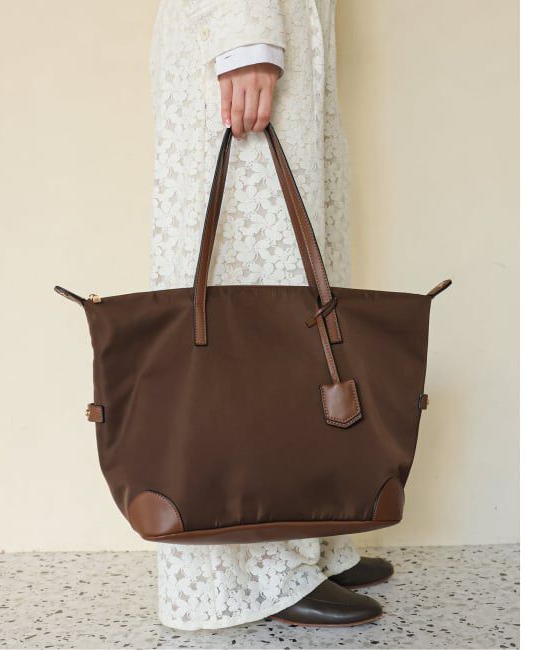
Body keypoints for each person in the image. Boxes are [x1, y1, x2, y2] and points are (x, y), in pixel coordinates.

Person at [149, 0, 393, 630]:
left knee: (305, 287)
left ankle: (311, 538)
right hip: (250, 26)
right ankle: (254, 568)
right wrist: (245, 36)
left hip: (296, 29)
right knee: (253, 292)